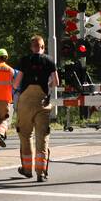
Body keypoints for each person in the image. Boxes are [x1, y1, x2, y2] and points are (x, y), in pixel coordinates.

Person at [15, 34, 59, 182]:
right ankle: (41, 173)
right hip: (42, 103)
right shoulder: (49, 60)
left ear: (31, 47)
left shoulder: (24, 60)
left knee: (25, 135)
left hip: (25, 103)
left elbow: (16, 83)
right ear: (43, 47)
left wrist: (14, 87)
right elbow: (56, 82)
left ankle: (27, 169)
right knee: (42, 137)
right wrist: (48, 86)